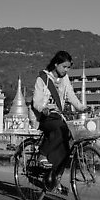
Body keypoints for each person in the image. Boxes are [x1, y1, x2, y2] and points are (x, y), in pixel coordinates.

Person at [32, 50, 87, 188]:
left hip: (57, 115)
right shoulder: (42, 79)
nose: (66, 70)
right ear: (56, 64)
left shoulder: (65, 79)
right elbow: (36, 101)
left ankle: (54, 175)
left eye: (68, 67)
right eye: (64, 67)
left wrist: (81, 107)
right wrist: (43, 108)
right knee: (59, 128)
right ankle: (42, 154)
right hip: (43, 116)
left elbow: (70, 95)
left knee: (68, 140)